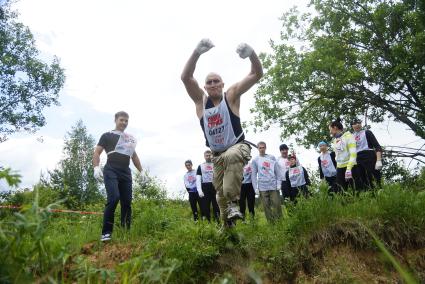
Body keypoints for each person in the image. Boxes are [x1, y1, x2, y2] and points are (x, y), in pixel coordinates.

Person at [181, 38, 263, 226]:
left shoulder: (231, 96)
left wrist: (252, 54)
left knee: (232, 161)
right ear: (205, 87)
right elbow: (185, 78)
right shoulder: (201, 103)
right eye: (209, 82)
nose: (213, 84)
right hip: (217, 156)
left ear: (222, 84)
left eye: (216, 81)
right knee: (220, 196)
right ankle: (227, 228)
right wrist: (196, 53)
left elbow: (257, 74)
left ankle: (235, 203)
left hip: (237, 147)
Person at [93, 111, 142, 242]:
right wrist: (96, 167)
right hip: (111, 170)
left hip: (126, 171)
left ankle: (125, 231)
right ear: (115, 120)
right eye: (122, 120)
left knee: (127, 202)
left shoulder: (129, 138)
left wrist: (141, 171)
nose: (124, 123)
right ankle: (106, 233)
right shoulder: (107, 135)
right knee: (114, 198)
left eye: (126, 121)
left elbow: (134, 156)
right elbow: (97, 152)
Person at [252, 142, 282, 223]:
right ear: (258, 148)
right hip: (262, 186)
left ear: (265, 148)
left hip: (273, 185)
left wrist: (279, 183)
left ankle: (279, 221)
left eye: (263, 147)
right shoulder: (255, 160)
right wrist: (256, 188)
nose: (262, 149)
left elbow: (277, 171)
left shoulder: (271, 157)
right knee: (266, 206)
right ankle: (271, 223)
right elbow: (254, 175)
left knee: (276, 204)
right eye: (260, 148)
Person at [329, 118, 360, 192]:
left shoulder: (349, 136)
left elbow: (353, 154)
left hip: (351, 167)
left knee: (355, 190)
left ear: (335, 128)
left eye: (330, 129)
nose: (330, 132)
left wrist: (349, 168)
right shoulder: (335, 140)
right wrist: (338, 167)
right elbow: (338, 156)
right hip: (340, 168)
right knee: (341, 191)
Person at [351, 118, 383, 189]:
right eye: (354, 123)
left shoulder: (367, 132)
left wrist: (378, 160)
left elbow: (377, 147)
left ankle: (379, 196)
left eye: (359, 123)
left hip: (369, 156)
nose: (357, 125)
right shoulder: (351, 137)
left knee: (374, 179)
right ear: (352, 126)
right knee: (361, 181)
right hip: (357, 159)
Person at [196, 150, 220, 222]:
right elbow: (198, 179)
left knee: (216, 205)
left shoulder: (216, 165)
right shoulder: (200, 166)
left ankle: (217, 221)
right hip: (205, 187)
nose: (208, 157)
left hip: (215, 186)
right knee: (206, 206)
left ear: (212, 155)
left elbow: (220, 176)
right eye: (207, 155)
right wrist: (199, 190)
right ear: (204, 156)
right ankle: (208, 221)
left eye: (210, 155)